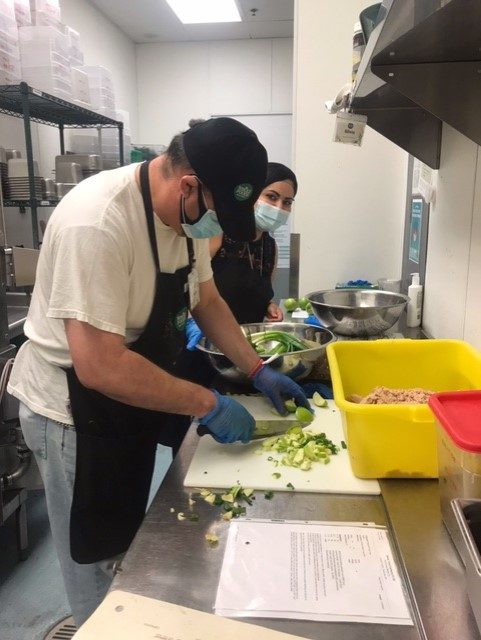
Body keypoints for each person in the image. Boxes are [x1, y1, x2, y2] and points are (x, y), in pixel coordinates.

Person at [7, 117, 310, 627]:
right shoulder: (98, 221)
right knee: (92, 555)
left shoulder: (186, 217)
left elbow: (205, 299)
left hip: (124, 396)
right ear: (188, 184)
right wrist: (207, 402)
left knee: (125, 542)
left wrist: (257, 369)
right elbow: (100, 364)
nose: (214, 226)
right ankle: (93, 628)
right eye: (216, 212)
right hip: (72, 411)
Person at [185, 162, 297, 349]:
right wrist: (191, 322)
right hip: (206, 342)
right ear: (252, 196)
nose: (279, 208)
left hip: (246, 345)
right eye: (271, 197)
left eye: (287, 202)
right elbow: (188, 284)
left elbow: (257, 292)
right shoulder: (219, 233)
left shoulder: (270, 247)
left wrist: (268, 306)